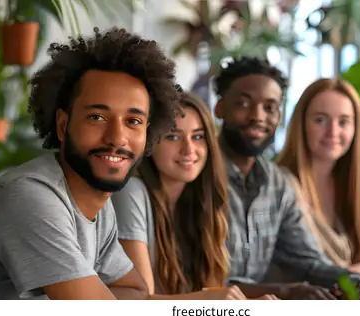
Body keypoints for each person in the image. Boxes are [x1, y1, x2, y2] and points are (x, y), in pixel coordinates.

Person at [0, 27, 181, 300]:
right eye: (97, 117)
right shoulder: (31, 197)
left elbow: (137, 291)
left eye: (133, 121)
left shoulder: (97, 207)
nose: (117, 137)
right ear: (62, 125)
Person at [213, 57, 360, 300]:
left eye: (270, 107)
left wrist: (346, 280)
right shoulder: (196, 174)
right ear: (220, 108)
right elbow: (202, 280)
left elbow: (307, 261)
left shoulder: (275, 182)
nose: (257, 116)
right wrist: (285, 291)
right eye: (244, 104)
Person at [112, 90, 271, 300]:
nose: (189, 149)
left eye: (198, 137)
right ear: (150, 143)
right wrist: (210, 302)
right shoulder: (131, 192)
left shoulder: (200, 204)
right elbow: (140, 303)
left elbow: (208, 291)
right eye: (173, 136)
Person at [276, 78, 360, 283]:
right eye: (321, 120)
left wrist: (344, 275)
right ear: (302, 124)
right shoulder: (282, 183)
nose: (333, 132)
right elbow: (312, 269)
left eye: (343, 122)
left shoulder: (354, 186)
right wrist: (350, 275)